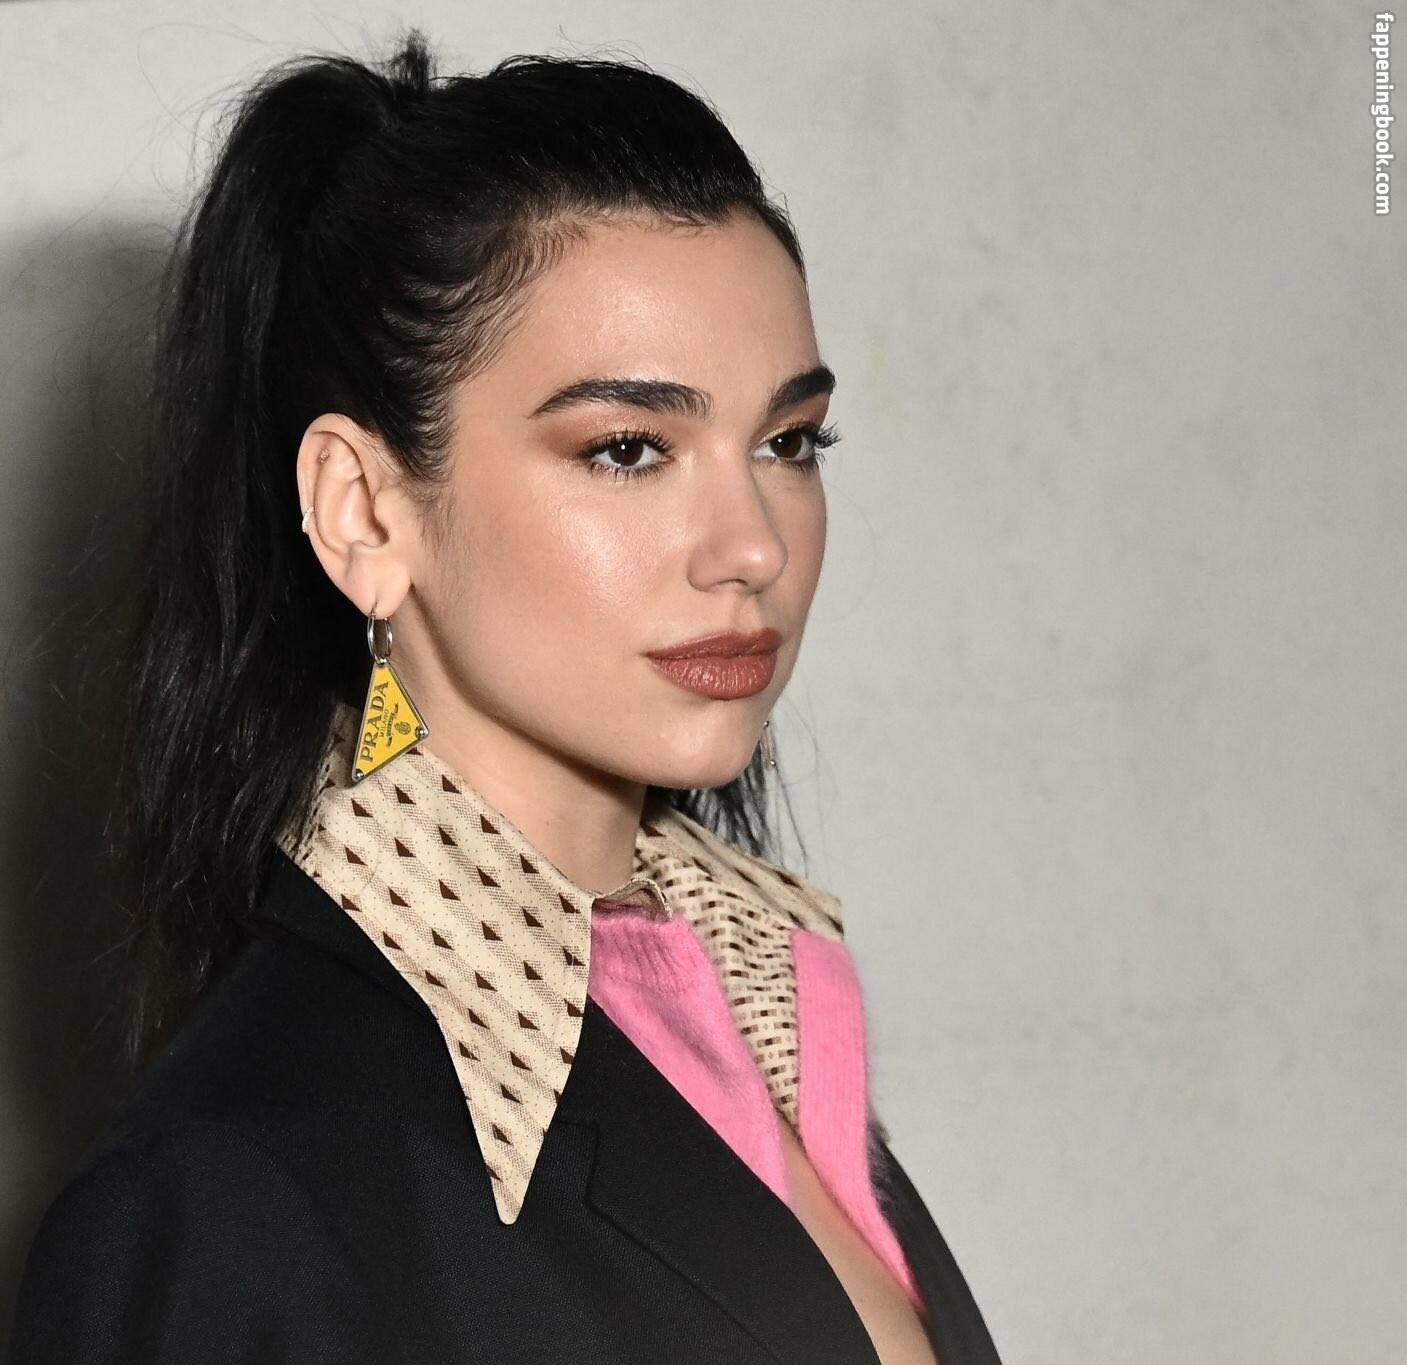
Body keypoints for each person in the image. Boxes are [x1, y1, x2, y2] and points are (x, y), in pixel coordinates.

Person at [7, 29, 1002, 1365]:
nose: (754, 546)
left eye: (788, 441)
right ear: (363, 512)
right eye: (629, 448)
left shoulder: (756, 1008)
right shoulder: (225, 1201)